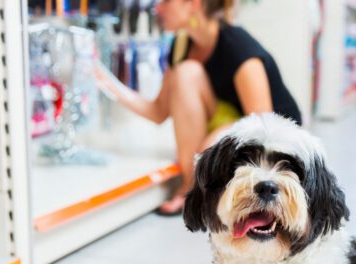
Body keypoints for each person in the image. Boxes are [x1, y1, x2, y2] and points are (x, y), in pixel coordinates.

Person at [96, 0, 302, 215]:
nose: (158, 8)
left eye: (166, 1)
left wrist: (214, 142)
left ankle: (198, 183)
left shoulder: (238, 46)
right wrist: (104, 79)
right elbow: (158, 112)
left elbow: (263, 121)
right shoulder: (181, 45)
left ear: (193, 4)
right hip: (231, 122)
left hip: (275, 134)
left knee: (207, 136)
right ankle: (191, 186)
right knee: (186, 72)